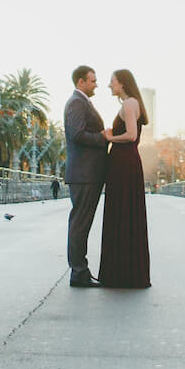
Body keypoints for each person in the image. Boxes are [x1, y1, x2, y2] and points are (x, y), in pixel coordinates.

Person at [98, 68, 151, 289]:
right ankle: (124, 272)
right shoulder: (129, 104)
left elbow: (131, 135)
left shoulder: (129, 104)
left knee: (122, 211)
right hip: (124, 163)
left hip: (124, 163)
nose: (109, 85)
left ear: (122, 83)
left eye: (112, 81)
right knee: (124, 212)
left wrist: (110, 136)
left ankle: (121, 273)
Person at [63, 65, 108, 288]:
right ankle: (78, 272)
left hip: (87, 173)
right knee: (80, 224)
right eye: (93, 81)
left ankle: (80, 270)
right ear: (81, 82)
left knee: (81, 224)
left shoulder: (82, 102)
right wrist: (103, 137)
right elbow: (77, 134)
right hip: (84, 173)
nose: (96, 84)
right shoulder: (76, 103)